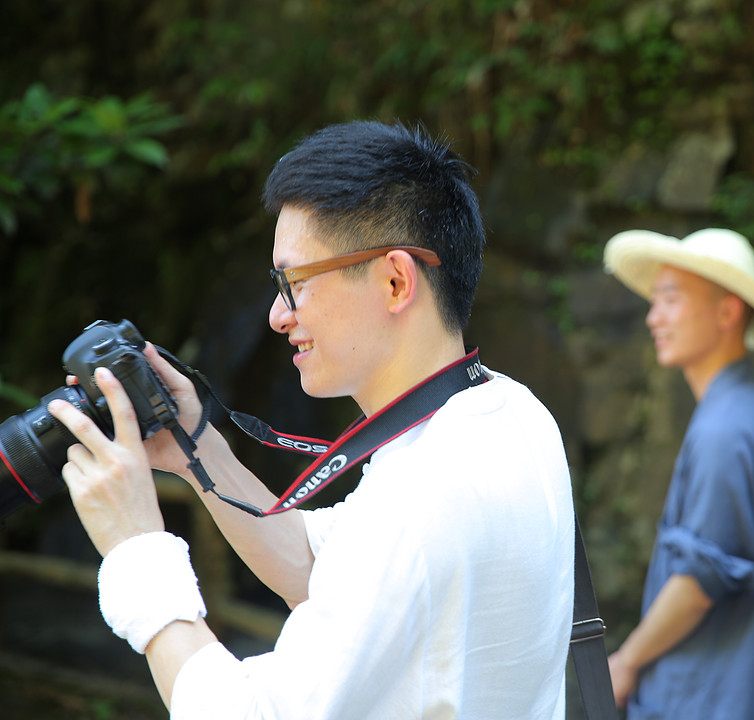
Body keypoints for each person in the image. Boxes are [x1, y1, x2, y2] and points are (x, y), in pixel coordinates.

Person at [46, 120, 576, 719]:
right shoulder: (512, 414)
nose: (277, 315)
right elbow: (320, 565)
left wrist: (136, 544)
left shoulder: (416, 501)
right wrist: (200, 451)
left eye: (293, 282)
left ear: (396, 280)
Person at [602, 228, 754, 719]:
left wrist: (626, 661)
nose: (654, 317)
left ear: (727, 311)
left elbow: (700, 581)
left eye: (670, 299)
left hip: (704, 700)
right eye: (655, 301)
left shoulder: (725, 428)